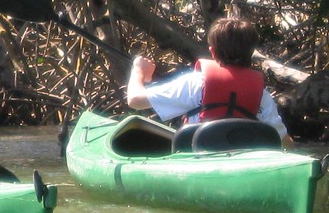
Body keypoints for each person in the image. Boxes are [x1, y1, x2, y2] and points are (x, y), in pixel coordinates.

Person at [125, 16, 292, 144]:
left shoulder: (194, 84)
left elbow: (134, 100)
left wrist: (138, 69)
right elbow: (283, 141)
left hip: (198, 158)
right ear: (251, 52)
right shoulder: (261, 96)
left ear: (212, 52)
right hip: (241, 165)